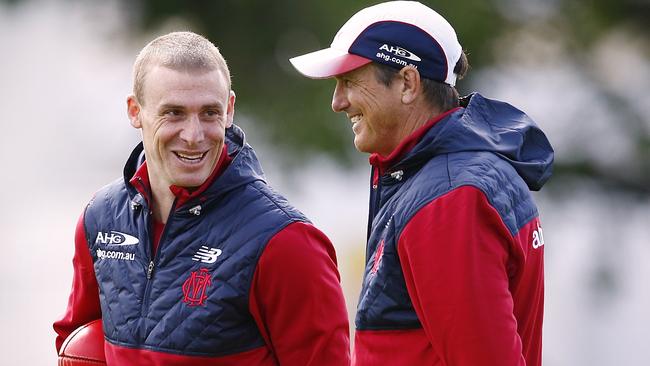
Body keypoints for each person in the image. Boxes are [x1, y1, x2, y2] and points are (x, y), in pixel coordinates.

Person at [54, 31, 351, 365]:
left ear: (229, 110)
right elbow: (76, 340)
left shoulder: (286, 242)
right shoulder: (101, 217)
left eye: (209, 112)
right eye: (174, 113)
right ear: (135, 111)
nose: (193, 136)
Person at [289, 1, 553, 365]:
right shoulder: (444, 180)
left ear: (407, 83)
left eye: (349, 81)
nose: (338, 102)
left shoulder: (449, 199)